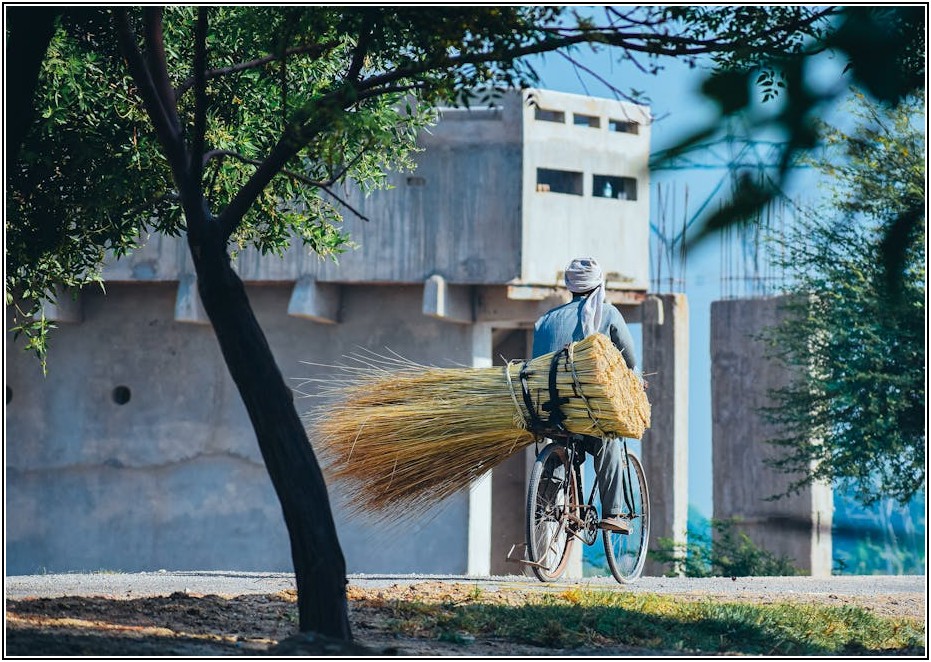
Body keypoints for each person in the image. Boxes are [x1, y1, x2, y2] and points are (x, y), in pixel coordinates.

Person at [532, 257, 638, 533]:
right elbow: (630, 360)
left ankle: (544, 502)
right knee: (608, 440)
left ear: (570, 286)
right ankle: (614, 512)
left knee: (562, 440)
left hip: (551, 409)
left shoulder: (545, 320)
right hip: (588, 408)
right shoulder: (607, 314)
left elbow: (535, 366)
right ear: (598, 285)